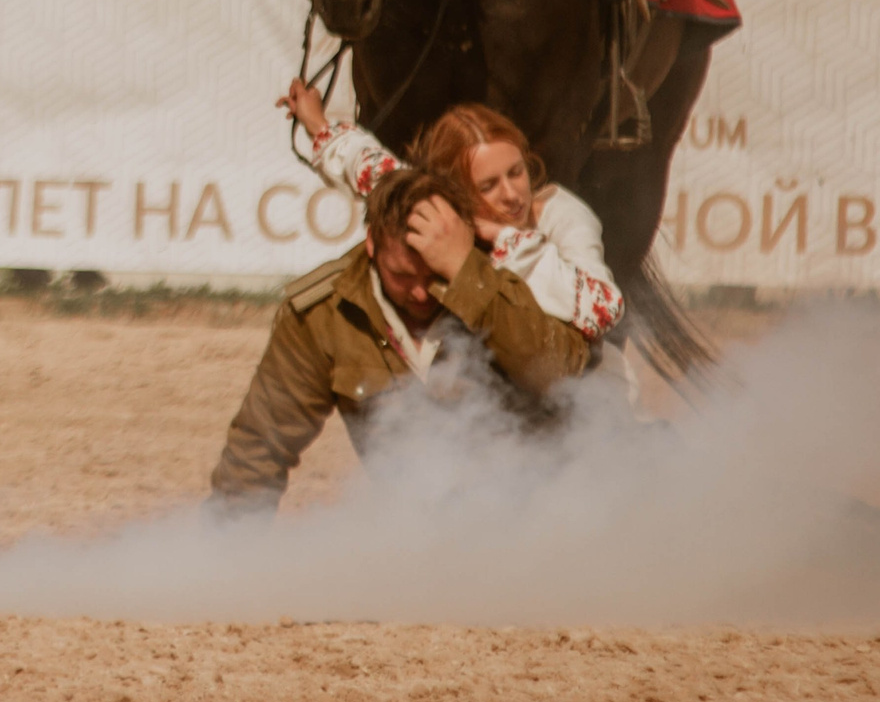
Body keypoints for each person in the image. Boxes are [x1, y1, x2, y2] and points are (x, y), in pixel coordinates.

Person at [208, 166, 589, 511]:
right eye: (402, 277)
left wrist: (467, 275)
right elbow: (260, 448)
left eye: (434, 276)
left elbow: (563, 378)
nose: (420, 294)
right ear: (371, 245)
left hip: (542, 520)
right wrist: (229, 549)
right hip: (415, 531)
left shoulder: (514, 275)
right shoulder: (323, 313)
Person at [280, 85, 624, 342]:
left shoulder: (564, 214)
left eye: (516, 172)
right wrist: (316, 121)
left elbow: (604, 309)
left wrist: (505, 238)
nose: (511, 194)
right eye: (488, 185)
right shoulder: (440, 208)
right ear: (457, 188)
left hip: (583, 390)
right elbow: (368, 164)